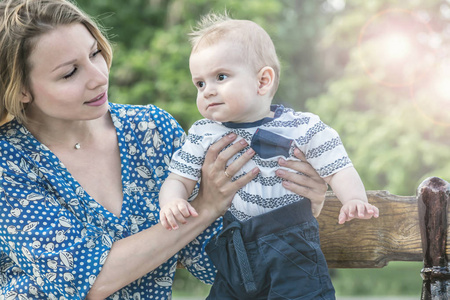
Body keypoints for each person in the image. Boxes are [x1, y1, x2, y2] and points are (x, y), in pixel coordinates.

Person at [0, 1, 329, 299]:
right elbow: (86, 280)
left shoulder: (151, 130)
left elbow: (215, 256)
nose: (98, 77)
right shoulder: (7, 162)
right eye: (70, 72)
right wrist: (204, 206)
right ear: (23, 90)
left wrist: (295, 199)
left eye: (95, 53)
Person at [158, 13, 380, 299]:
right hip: (236, 245)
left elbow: (337, 167)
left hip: (292, 246)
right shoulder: (204, 133)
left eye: (220, 77)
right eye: (199, 84)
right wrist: (172, 201)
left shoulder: (301, 127)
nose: (207, 91)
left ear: (263, 81)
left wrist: (353, 200)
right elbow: (179, 178)